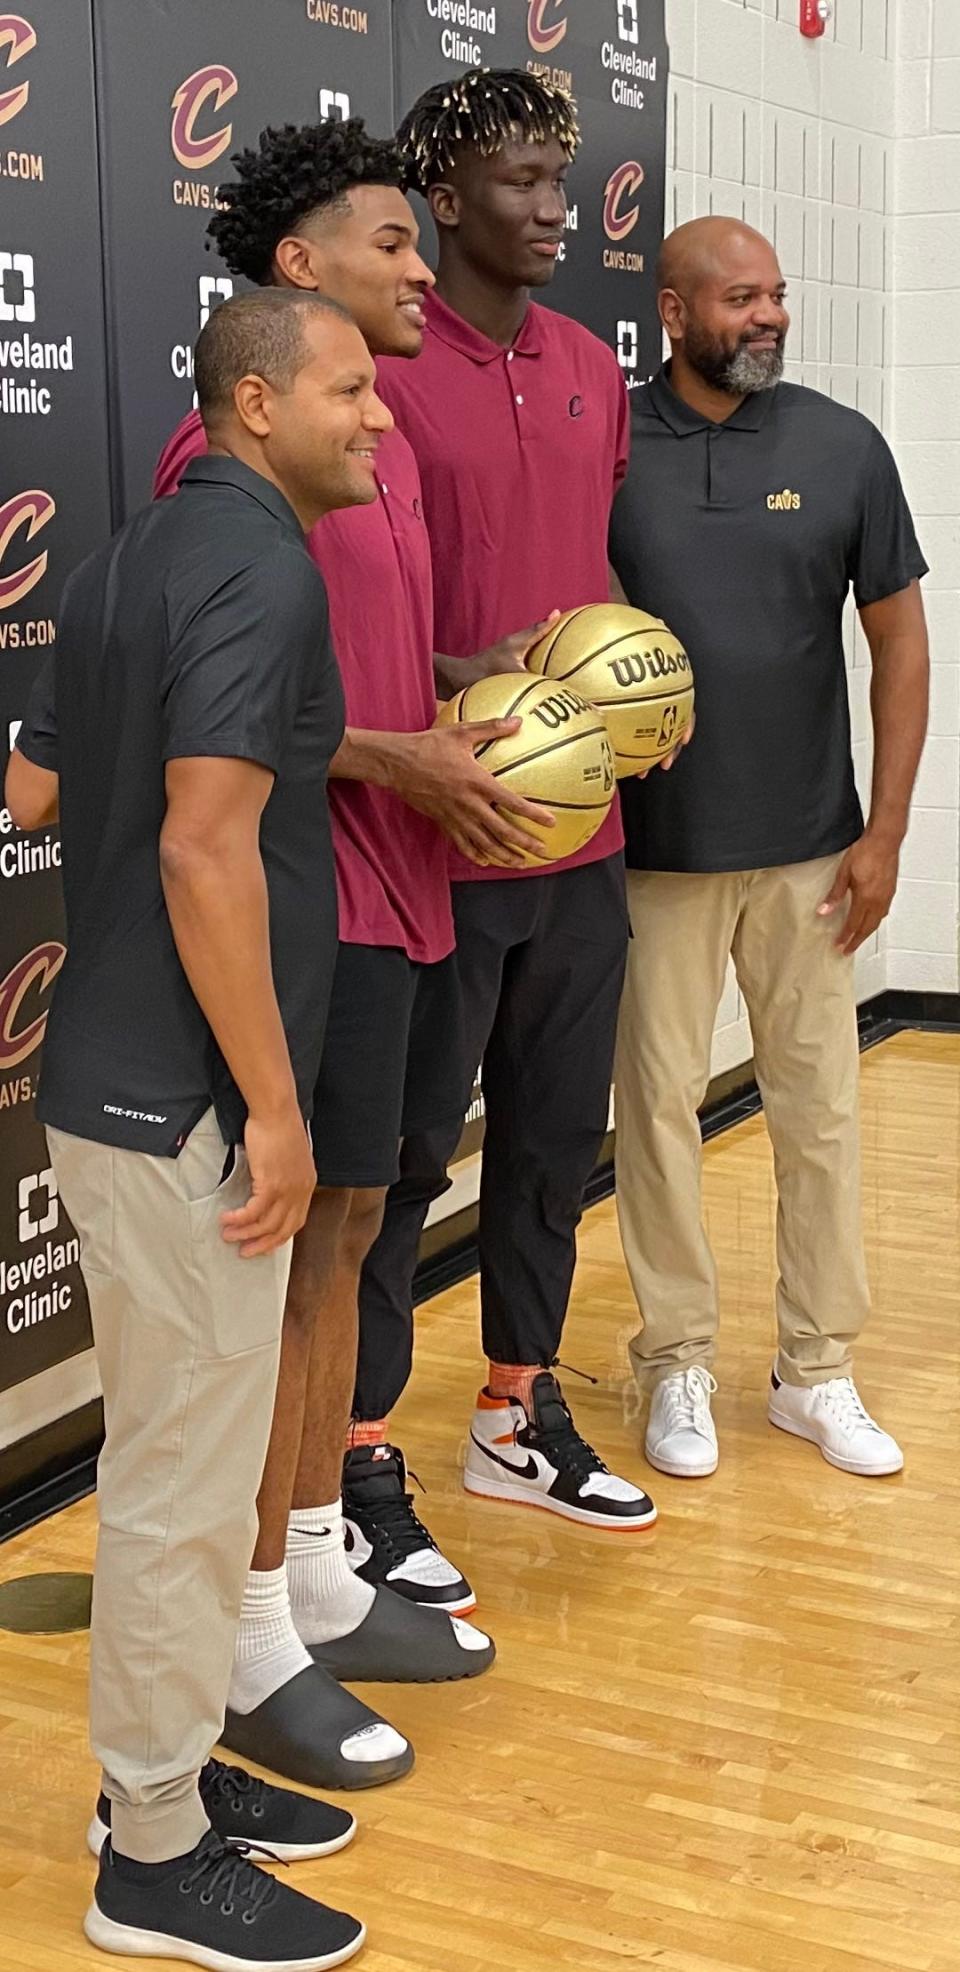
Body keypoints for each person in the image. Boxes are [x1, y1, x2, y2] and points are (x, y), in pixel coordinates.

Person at [150, 116, 558, 1750]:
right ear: (296, 265)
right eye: (391, 241)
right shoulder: (222, 469)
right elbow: (223, 717)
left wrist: (485, 678)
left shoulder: (364, 448)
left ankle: (315, 1564)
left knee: (352, 1237)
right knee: (290, 1268)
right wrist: (398, 755)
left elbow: (366, 671)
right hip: (306, 906)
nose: (419, 265)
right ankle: (246, 1633)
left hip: (402, 893)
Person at [5, 290, 381, 1969]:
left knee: (178, 1458)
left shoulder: (119, 556)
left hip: (119, 1085)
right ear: (252, 403)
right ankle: (148, 1852)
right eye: (349, 387)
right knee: (177, 1487)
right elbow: (201, 850)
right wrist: (280, 1112)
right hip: (184, 1111)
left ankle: (157, 1781)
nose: (375, 415)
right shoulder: (258, 565)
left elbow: (33, 793)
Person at [349, 67, 658, 1581]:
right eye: (525, 182)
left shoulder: (597, 363)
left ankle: (519, 1410)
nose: (555, 209)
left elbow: (583, 573)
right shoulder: (384, 366)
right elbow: (364, 606)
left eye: (563, 177)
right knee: (405, 1158)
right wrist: (465, 680)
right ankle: (355, 1451)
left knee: (551, 1145)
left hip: (582, 848)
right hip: (439, 840)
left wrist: (628, 695)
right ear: (445, 197)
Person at [609, 216, 929, 1482]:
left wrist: (888, 830)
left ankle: (816, 1370)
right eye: (742, 298)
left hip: (811, 854)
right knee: (658, 1115)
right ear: (674, 311)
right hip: (652, 855)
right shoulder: (610, 446)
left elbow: (900, 643)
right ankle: (676, 1357)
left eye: (779, 297)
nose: (771, 318)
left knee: (820, 1113)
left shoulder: (844, 447)